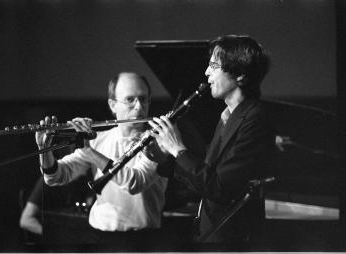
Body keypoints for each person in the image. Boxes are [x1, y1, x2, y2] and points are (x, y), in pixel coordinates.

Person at [148, 35, 275, 244]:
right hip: (213, 232)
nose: (207, 72)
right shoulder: (227, 115)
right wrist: (166, 158)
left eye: (214, 66)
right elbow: (204, 175)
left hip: (232, 237)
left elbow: (219, 187)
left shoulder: (255, 119)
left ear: (241, 75)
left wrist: (179, 149)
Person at [35, 72, 168, 245]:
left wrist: (90, 153)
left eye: (143, 99)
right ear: (113, 105)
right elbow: (55, 177)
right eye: (130, 100)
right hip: (98, 236)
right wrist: (44, 150)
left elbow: (135, 182)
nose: (139, 107)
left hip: (143, 241)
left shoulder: (160, 142)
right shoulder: (98, 139)